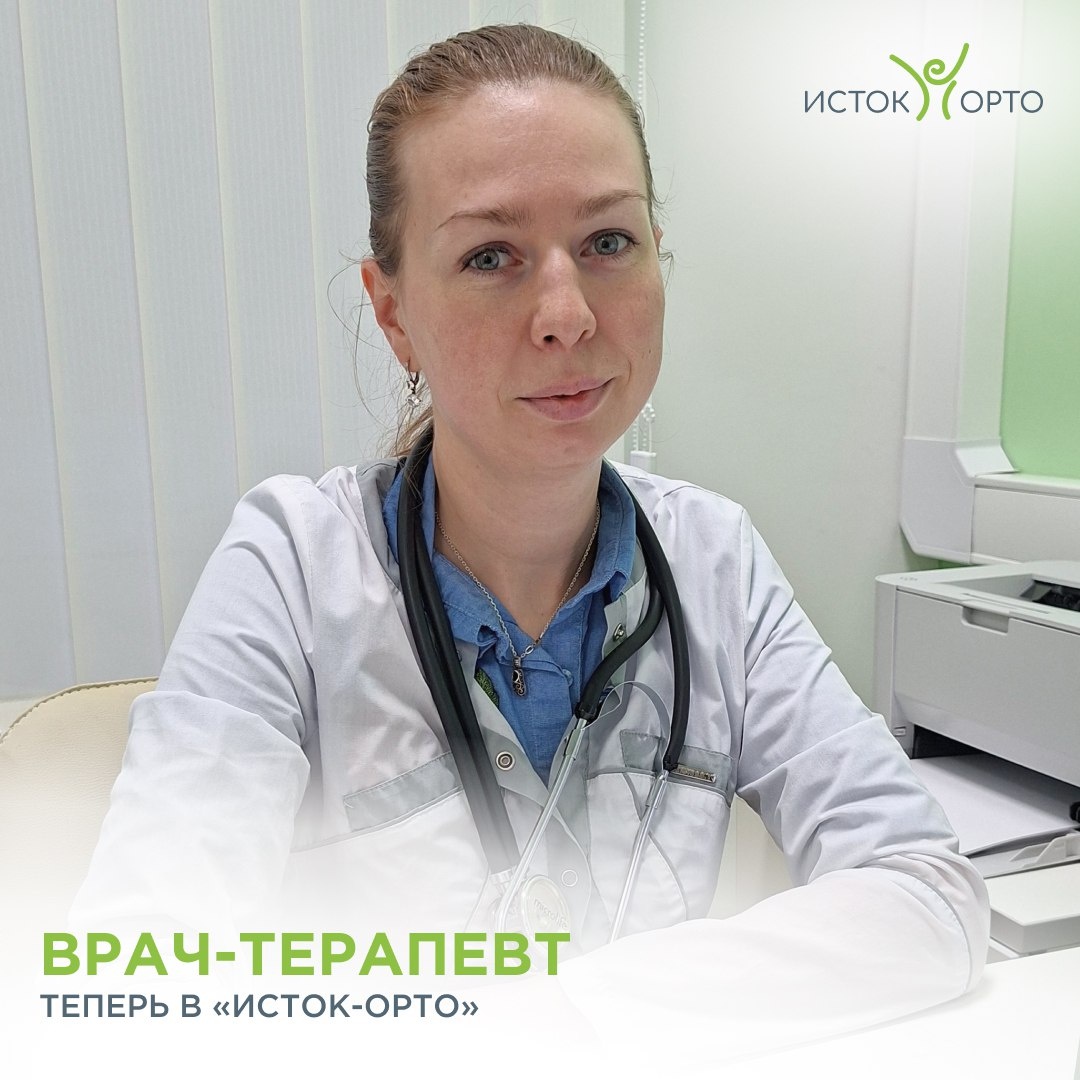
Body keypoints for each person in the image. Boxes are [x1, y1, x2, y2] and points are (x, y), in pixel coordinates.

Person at [73, 23, 988, 1056]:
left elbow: (928, 894)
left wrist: (560, 1018)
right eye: (490, 256)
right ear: (393, 313)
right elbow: (142, 967)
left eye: (608, 243)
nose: (567, 315)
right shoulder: (294, 564)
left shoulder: (713, 560)